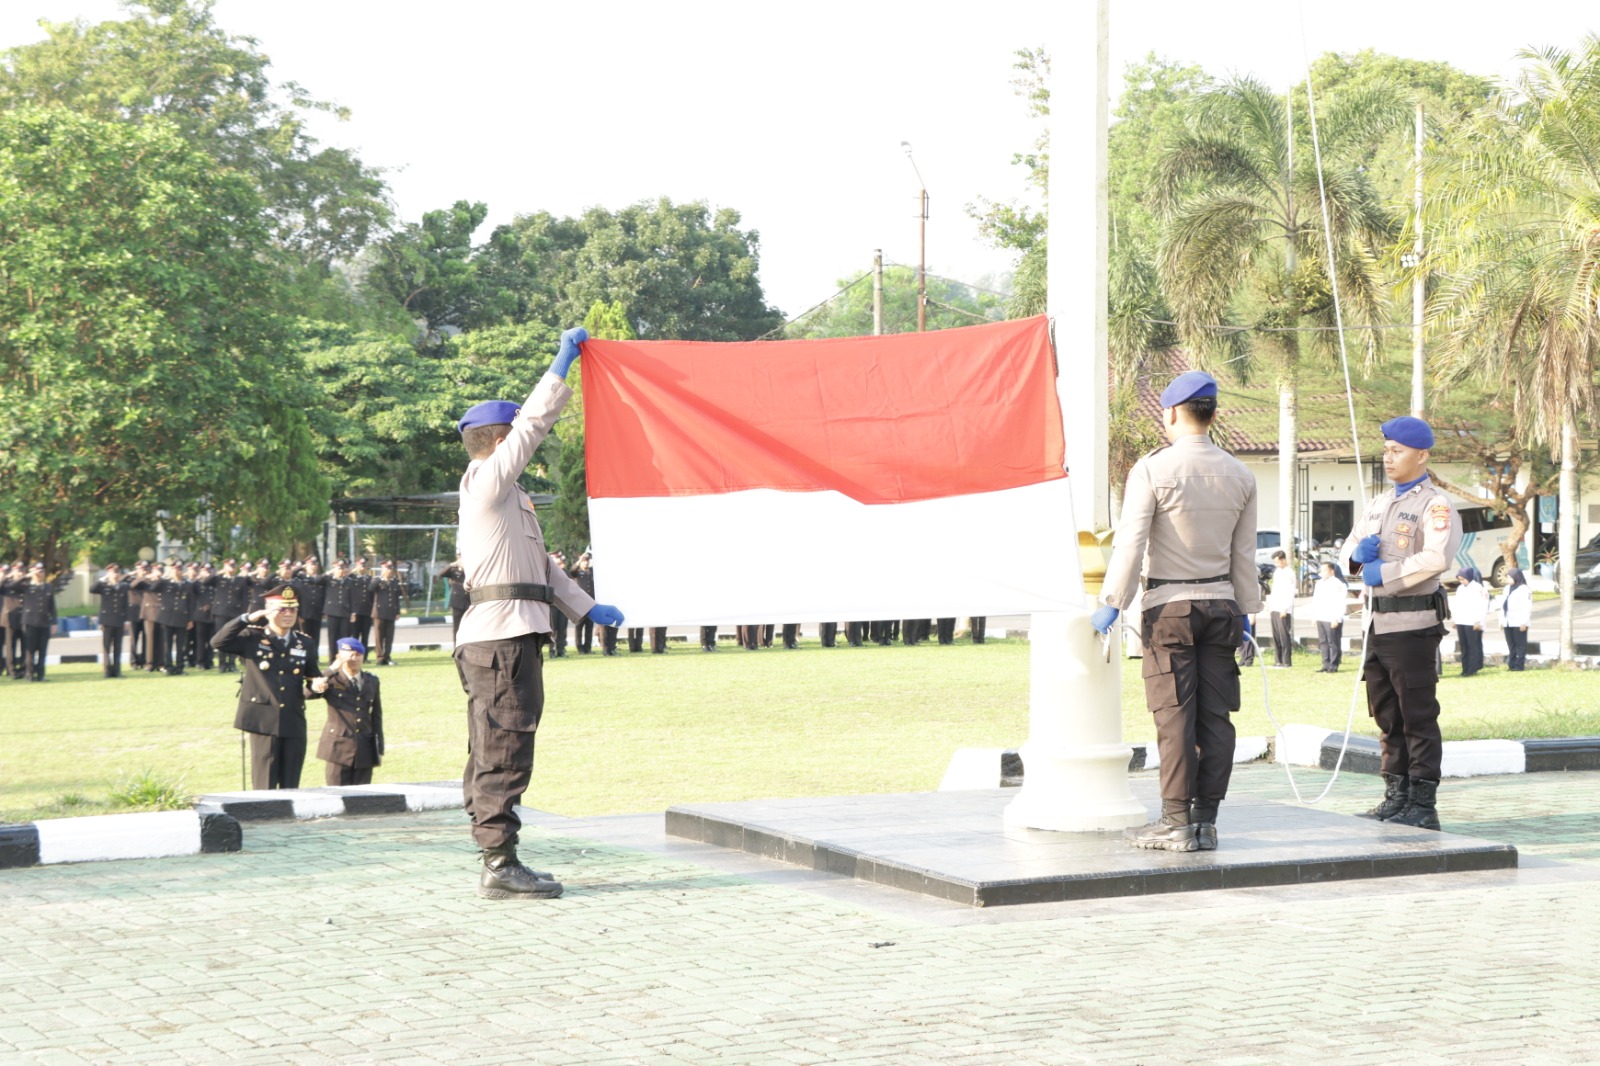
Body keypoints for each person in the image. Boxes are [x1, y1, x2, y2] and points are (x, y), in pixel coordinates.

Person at [453, 327, 623, 901]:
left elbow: (543, 570)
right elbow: (533, 424)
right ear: (499, 440)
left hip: (513, 636)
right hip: (499, 641)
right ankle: (498, 863)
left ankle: (501, 855)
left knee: (502, 744)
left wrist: (587, 607)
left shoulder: (511, 499)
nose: (531, 448)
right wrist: (561, 366)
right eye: (517, 438)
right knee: (504, 746)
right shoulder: (487, 480)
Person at [1093, 370, 1259, 853]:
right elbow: (1243, 554)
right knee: (1216, 718)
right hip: (1223, 607)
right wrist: (1246, 610)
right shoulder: (1240, 472)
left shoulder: (1152, 469)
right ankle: (1206, 821)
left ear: (1170, 413)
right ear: (1212, 414)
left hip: (1169, 609)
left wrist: (1111, 603)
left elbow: (1131, 544)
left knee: (1174, 719)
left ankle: (1174, 821)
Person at [1339, 416, 1463, 831]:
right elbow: (1345, 552)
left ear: (1421, 455)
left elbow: (1436, 558)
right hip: (1377, 626)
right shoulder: (1377, 503)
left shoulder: (1435, 504)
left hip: (1412, 625)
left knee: (1417, 716)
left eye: (1398, 451)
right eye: (1387, 450)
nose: (1389, 458)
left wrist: (1384, 572)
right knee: (1387, 715)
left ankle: (1423, 804)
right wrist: (1358, 557)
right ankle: (1396, 796)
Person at [212, 583, 323, 790]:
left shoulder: (304, 643)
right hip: (263, 719)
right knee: (265, 783)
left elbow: (310, 680)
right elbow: (218, 642)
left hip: (293, 717)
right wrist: (246, 619)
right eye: (282, 609)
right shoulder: (252, 638)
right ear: (269, 611)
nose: (288, 614)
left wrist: (317, 687)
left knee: (291, 783)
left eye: (293, 609)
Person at [315, 637, 383, 786]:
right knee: (336, 797)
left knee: (363, 800)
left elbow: (376, 716)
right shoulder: (331, 680)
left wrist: (379, 748)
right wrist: (331, 670)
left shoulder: (372, 681)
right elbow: (308, 693)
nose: (354, 658)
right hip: (338, 748)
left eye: (358, 654)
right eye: (349, 654)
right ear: (339, 657)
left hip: (364, 748)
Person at [90, 563, 133, 678]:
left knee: (118, 647)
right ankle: (107, 670)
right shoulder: (104, 585)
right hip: (107, 619)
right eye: (112, 572)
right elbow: (92, 589)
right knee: (106, 646)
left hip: (119, 619)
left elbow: (126, 604)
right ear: (108, 573)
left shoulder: (123, 586)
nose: (115, 574)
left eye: (116, 572)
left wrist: (127, 620)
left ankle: (117, 671)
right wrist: (102, 579)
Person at [20, 563, 58, 682]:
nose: (39, 573)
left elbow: (52, 606)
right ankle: (29, 674)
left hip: (44, 622)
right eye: (37, 571)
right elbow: (15, 584)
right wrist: (28, 575)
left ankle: (40, 675)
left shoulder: (48, 587)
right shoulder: (26, 586)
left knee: (42, 650)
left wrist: (54, 622)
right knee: (30, 650)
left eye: (41, 571)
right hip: (30, 622)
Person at [1310, 561, 1347, 673]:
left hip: (1332, 617)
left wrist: (1336, 617)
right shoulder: (1319, 583)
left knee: (1333, 642)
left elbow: (1340, 602)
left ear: (1332, 571)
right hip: (1321, 616)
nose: (1322, 572)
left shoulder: (1338, 584)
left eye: (1325, 570)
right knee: (1323, 642)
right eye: (1321, 570)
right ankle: (1325, 664)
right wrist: (1314, 616)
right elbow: (1315, 600)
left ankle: (1333, 665)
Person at [1451, 567, 1489, 676]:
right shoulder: (1460, 589)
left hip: (1472, 621)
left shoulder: (1478, 588)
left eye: (1463, 579)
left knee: (1472, 645)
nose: (1462, 581)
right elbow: (1457, 605)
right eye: (1460, 579)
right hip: (1461, 621)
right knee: (1464, 645)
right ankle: (1465, 668)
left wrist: (1478, 621)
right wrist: (1455, 619)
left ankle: (1472, 668)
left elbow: (1482, 606)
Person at [1495, 567, 1533, 671]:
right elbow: (1503, 606)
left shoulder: (1524, 589)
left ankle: (1519, 665)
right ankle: (1511, 665)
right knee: (1511, 645)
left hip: (1519, 622)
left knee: (1520, 645)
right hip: (1508, 621)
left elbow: (1527, 607)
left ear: (1516, 577)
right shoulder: (1507, 588)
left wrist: (1523, 623)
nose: (1508, 579)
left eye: (1509, 577)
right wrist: (1501, 621)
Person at [1265, 550, 1295, 667]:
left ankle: (1286, 660)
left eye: (1278, 562)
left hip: (1283, 608)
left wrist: (1285, 608)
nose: (1276, 564)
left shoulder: (1289, 573)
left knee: (1284, 635)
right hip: (1275, 606)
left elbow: (1290, 593)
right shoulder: (1277, 572)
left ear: (1283, 560)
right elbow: (1274, 590)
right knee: (1276, 635)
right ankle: (1278, 660)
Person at [370, 560, 403, 666]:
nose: (389, 571)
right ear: (382, 569)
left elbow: (396, 598)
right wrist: (380, 578)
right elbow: (370, 589)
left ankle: (387, 657)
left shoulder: (394, 581)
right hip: (379, 613)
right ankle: (380, 658)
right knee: (379, 637)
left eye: (390, 568)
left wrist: (397, 612)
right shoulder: (377, 580)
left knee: (389, 637)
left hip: (390, 612)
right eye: (387, 568)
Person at [570, 552, 596, 654]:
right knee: (579, 627)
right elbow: (572, 570)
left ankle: (588, 648)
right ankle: (580, 648)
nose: (586, 563)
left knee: (589, 628)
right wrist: (579, 560)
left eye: (587, 561)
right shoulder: (577, 573)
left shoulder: (591, 572)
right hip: (579, 604)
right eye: (584, 561)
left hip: (590, 604)